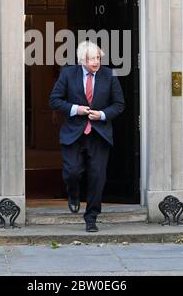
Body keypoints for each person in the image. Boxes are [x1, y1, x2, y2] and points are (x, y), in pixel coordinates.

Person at [49, 40, 125, 232]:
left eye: (98, 58)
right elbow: (55, 100)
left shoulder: (108, 75)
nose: (96, 62)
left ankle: (91, 217)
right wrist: (76, 109)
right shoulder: (68, 73)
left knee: (97, 177)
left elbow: (119, 104)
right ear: (82, 59)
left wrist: (102, 114)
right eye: (92, 58)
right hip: (74, 133)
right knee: (72, 172)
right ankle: (73, 193)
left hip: (99, 134)